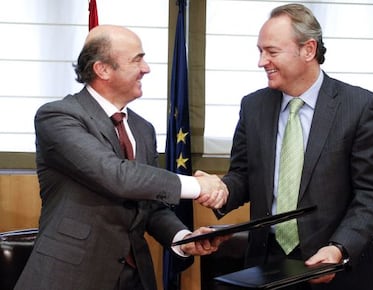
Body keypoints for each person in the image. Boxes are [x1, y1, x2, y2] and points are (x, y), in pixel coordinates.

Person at [197, 3, 373, 290]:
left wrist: (339, 248)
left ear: (308, 50)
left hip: (334, 267)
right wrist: (221, 189)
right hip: (265, 267)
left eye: (271, 51)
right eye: (260, 51)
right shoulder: (253, 106)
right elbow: (243, 174)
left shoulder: (358, 107)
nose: (261, 61)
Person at [15, 25, 228, 290]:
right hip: (70, 276)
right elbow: (115, 175)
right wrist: (198, 186)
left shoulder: (142, 129)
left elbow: (148, 203)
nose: (146, 68)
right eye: (137, 59)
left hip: (134, 277)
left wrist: (183, 237)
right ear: (102, 69)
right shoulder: (58, 116)